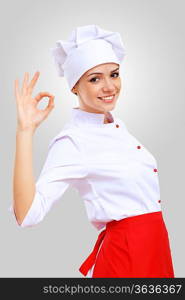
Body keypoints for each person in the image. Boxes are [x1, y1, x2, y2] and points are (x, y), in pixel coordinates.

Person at [11, 24, 175, 278]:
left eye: (115, 74)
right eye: (95, 78)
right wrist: (25, 132)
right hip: (126, 258)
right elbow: (28, 214)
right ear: (74, 86)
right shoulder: (73, 141)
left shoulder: (117, 126)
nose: (109, 86)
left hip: (155, 250)